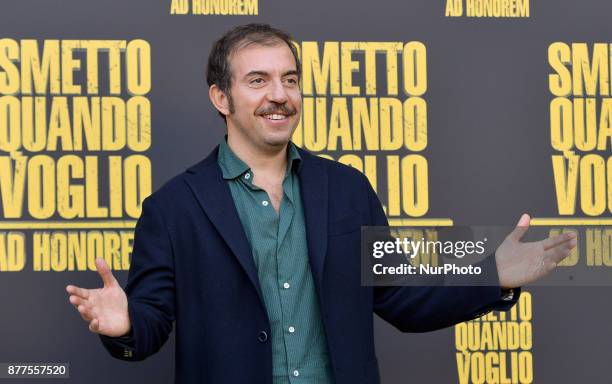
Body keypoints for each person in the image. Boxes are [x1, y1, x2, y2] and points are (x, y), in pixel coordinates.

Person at [65, 24, 576, 384]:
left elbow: (399, 297)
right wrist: (127, 324)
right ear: (221, 98)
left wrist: (493, 274)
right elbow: (151, 323)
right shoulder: (173, 206)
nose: (280, 95)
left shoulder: (348, 189)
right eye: (258, 80)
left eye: (290, 79)